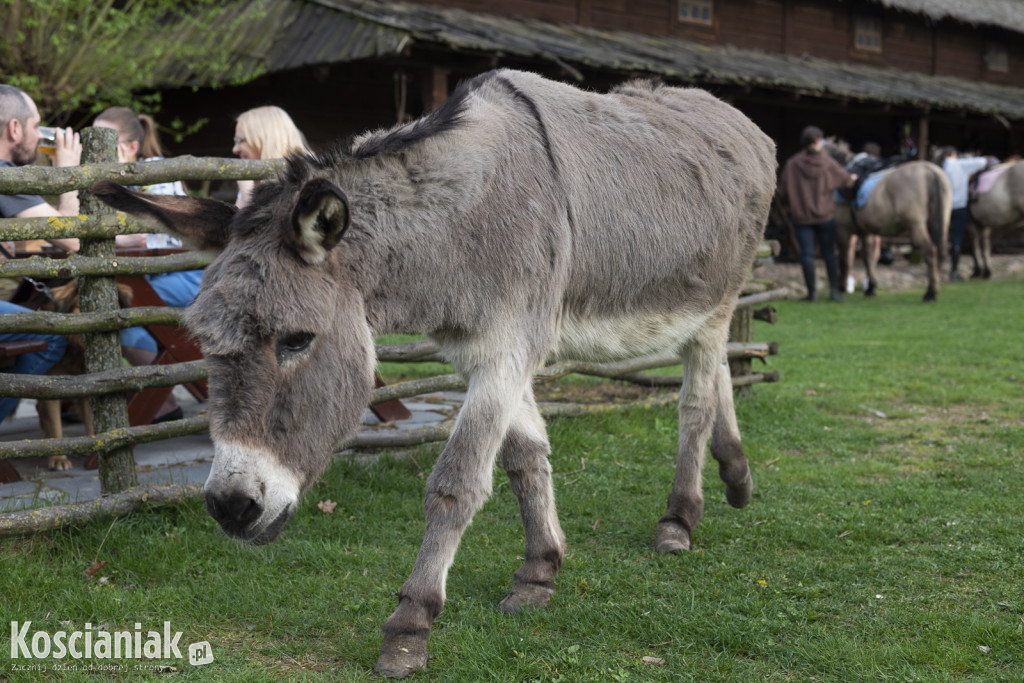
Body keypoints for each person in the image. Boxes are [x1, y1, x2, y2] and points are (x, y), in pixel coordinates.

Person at [93, 107, 202, 422]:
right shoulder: (105, 181)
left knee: (123, 306)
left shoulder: (154, 172)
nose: (93, 153)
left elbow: (149, 241)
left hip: (186, 275)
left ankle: (160, 401)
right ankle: (159, 401)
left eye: (103, 144)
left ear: (129, 149)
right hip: (150, 277)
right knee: (109, 302)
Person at [0, 84, 77, 421]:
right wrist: (69, 174)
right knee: (48, 335)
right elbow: (73, 240)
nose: (39, 136)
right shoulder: (4, 174)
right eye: (36, 125)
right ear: (14, 129)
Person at [777, 125, 857, 302]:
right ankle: (835, 292)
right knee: (829, 254)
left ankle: (812, 294)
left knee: (806, 256)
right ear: (817, 141)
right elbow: (845, 180)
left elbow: (782, 193)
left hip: (801, 218)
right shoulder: (827, 162)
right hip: (825, 218)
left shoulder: (792, 164)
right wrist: (853, 179)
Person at [231, 106, 309, 208]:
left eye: (240, 140)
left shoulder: (305, 179)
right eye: (235, 141)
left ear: (265, 140)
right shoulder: (248, 181)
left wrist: (248, 196)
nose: (235, 150)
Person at [937, 146, 988, 282]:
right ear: (954, 154)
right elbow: (983, 162)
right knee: (956, 239)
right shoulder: (960, 165)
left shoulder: (939, 168)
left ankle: (937, 268)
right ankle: (953, 271)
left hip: (943, 207)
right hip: (959, 206)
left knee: (940, 237)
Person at [844, 142, 883, 293]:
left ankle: (849, 278)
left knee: (851, 243)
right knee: (875, 242)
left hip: (852, 211)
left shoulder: (855, 163)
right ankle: (869, 278)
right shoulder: (879, 168)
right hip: (871, 214)